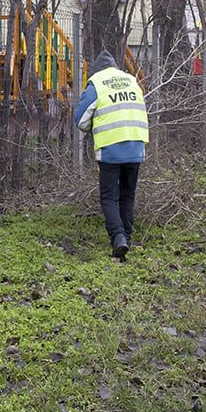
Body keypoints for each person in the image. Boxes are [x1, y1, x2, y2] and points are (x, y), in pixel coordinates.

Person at [73, 50, 149, 260]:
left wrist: (95, 128)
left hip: (110, 147)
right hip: (135, 143)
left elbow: (80, 119)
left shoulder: (97, 82)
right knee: (127, 195)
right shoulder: (131, 80)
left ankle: (118, 238)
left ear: (97, 69)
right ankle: (127, 236)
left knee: (109, 197)